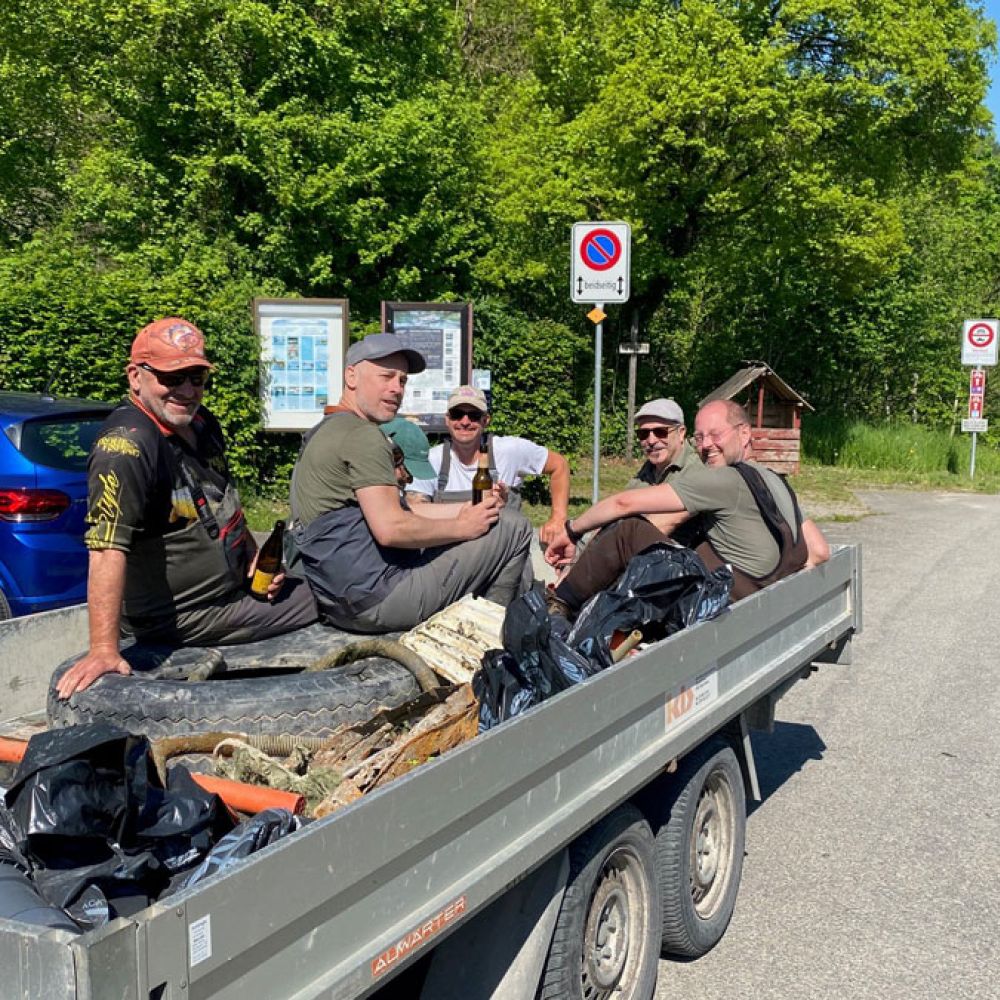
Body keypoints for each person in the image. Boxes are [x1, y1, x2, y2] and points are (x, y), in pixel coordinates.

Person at [57, 317, 318, 698]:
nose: (186, 390)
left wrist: (250, 557)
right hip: (179, 616)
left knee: (311, 573)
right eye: (171, 378)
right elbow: (106, 548)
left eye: (197, 377)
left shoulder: (202, 424)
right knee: (330, 590)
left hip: (230, 592)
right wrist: (102, 650)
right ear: (135, 376)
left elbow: (221, 501)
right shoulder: (125, 448)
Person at [290, 334, 532, 631]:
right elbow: (392, 528)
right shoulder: (363, 436)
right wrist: (463, 527)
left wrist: (470, 508)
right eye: (386, 376)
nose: (397, 388)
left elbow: (400, 508)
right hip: (380, 599)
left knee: (491, 517)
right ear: (351, 376)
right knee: (512, 526)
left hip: (339, 600)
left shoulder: (324, 431)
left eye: (402, 380)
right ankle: (489, 636)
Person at [545, 399, 830, 616]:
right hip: (759, 599)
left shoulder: (722, 478)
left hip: (723, 597)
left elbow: (624, 504)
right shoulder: (774, 479)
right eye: (701, 437)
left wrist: (570, 531)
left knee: (629, 531)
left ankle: (560, 606)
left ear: (744, 434)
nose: (706, 445)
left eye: (716, 435)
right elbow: (819, 550)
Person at [408, 385, 571, 548]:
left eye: (474, 416)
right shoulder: (431, 460)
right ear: (447, 420)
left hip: (504, 555)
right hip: (449, 555)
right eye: (457, 414)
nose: (465, 422)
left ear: (485, 420)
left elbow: (559, 465)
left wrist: (558, 519)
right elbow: (414, 510)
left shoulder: (509, 450)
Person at [626, 398, 699, 489]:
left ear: (681, 433)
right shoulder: (645, 473)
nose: (651, 441)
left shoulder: (699, 473)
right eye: (644, 433)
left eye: (660, 432)